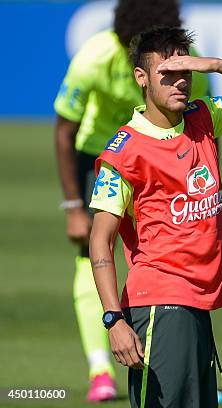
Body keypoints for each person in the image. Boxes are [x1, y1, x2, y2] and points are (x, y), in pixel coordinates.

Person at [89, 26, 222, 408]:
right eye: (168, 72)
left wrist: (217, 65)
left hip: (197, 303)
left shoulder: (204, 118)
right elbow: (100, 239)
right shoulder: (125, 151)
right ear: (142, 78)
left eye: (187, 71)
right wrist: (113, 320)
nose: (180, 81)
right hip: (158, 302)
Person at [53, 0, 210, 402]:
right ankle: (100, 369)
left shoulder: (185, 66)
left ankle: (180, 364)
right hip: (100, 159)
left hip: (168, 162)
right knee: (92, 253)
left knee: (165, 251)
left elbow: (206, 138)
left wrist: (202, 185)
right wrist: (73, 206)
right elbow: (64, 130)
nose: (176, 76)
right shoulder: (95, 56)